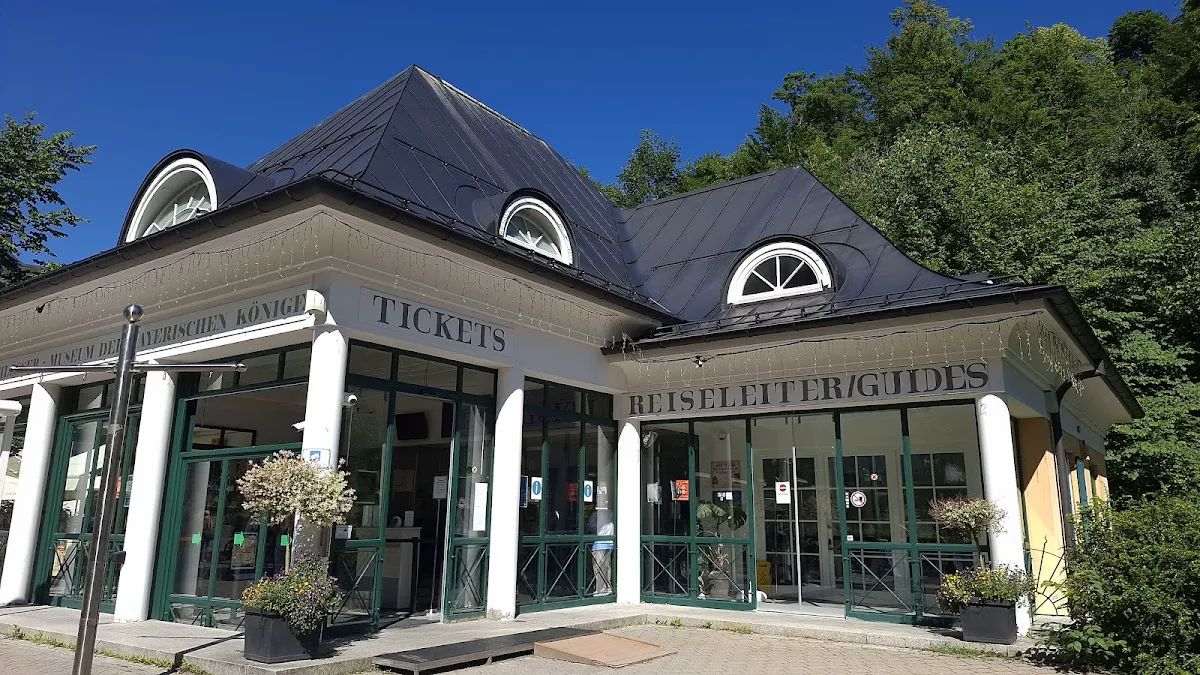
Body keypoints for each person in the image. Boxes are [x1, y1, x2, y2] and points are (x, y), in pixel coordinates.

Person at [588, 508, 614, 596]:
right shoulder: (611, 512)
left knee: (598, 566)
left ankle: (601, 588)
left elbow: (591, 527)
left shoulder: (597, 514)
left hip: (599, 543)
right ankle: (608, 587)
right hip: (610, 542)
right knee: (607, 566)